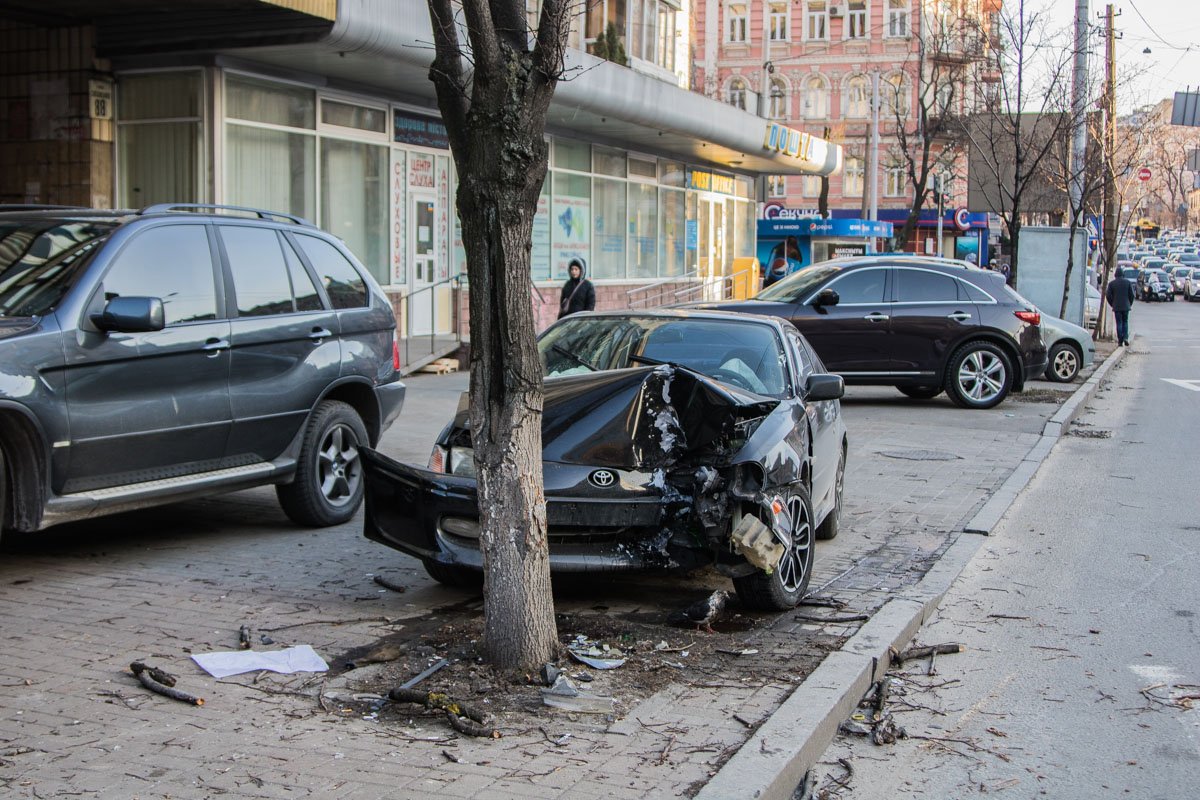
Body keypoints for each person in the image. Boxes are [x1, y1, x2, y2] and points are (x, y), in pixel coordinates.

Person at [1105, 266, 1136, 346]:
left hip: (1117, 307)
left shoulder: (1112, 284)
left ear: (1115, 275)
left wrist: (1112, 303)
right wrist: (1129, 303)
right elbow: (1132, 295)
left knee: (1119, 323)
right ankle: (1125, 337)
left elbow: (1108, 295)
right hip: (1126, 306)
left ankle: (1120, 340)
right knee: (1125, 322)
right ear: (1122, 274)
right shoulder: (1127, 282)